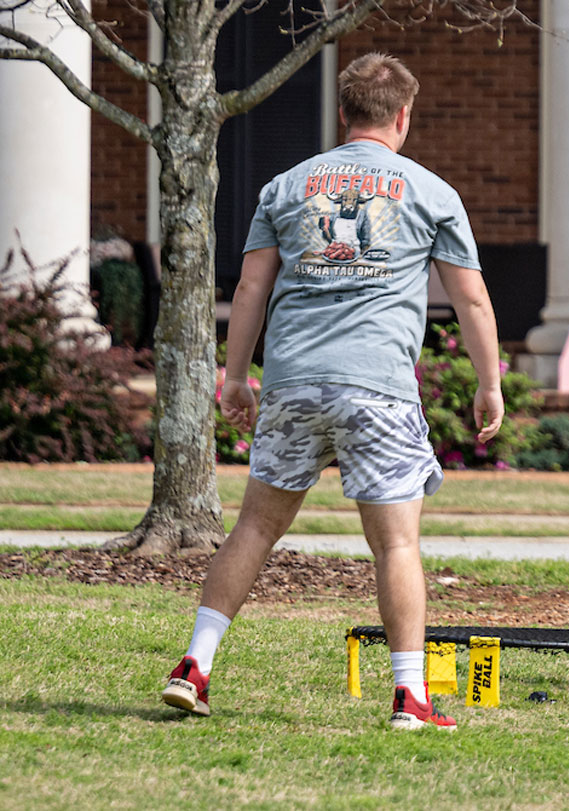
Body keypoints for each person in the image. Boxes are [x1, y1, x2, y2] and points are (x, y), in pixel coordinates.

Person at [160, 53, 503, 731]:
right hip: (377, 387)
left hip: (291, 381)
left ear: (342, 113)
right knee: (397, 545)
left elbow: (250, 290)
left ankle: (194, 665)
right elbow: (472, 301)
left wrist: (236, 378)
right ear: (404, 115)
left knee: (256, 525)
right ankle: (410, 696)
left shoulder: (286, 186)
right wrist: (488, 383)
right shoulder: (433, 192)